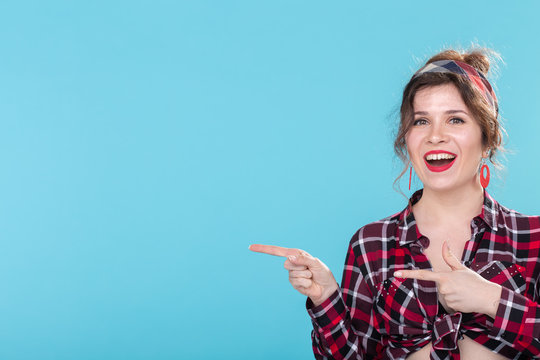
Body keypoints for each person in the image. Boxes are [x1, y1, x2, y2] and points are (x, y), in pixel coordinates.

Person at [249, 48, 540, 360]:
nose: (435, 136)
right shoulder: (372, 244)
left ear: (488, 138)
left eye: (455, 119)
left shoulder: (532, 237)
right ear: (407, 139)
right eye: (421, 121)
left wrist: (492, 299)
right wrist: (326, 299)